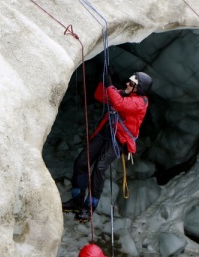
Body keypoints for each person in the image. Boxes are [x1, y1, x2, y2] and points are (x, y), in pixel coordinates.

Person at [62, 68, 152, 222]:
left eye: (131, 83)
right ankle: (76, 200)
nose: (127, 83)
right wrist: (103, 82)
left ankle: (89, 208)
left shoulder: (140, 102)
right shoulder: (123, 94)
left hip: (119, 139)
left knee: (99, 167)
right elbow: (100, 96)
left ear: (138, 88)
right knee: (82, 161)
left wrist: (110, 86)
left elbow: (119, 104)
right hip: (107, 132)